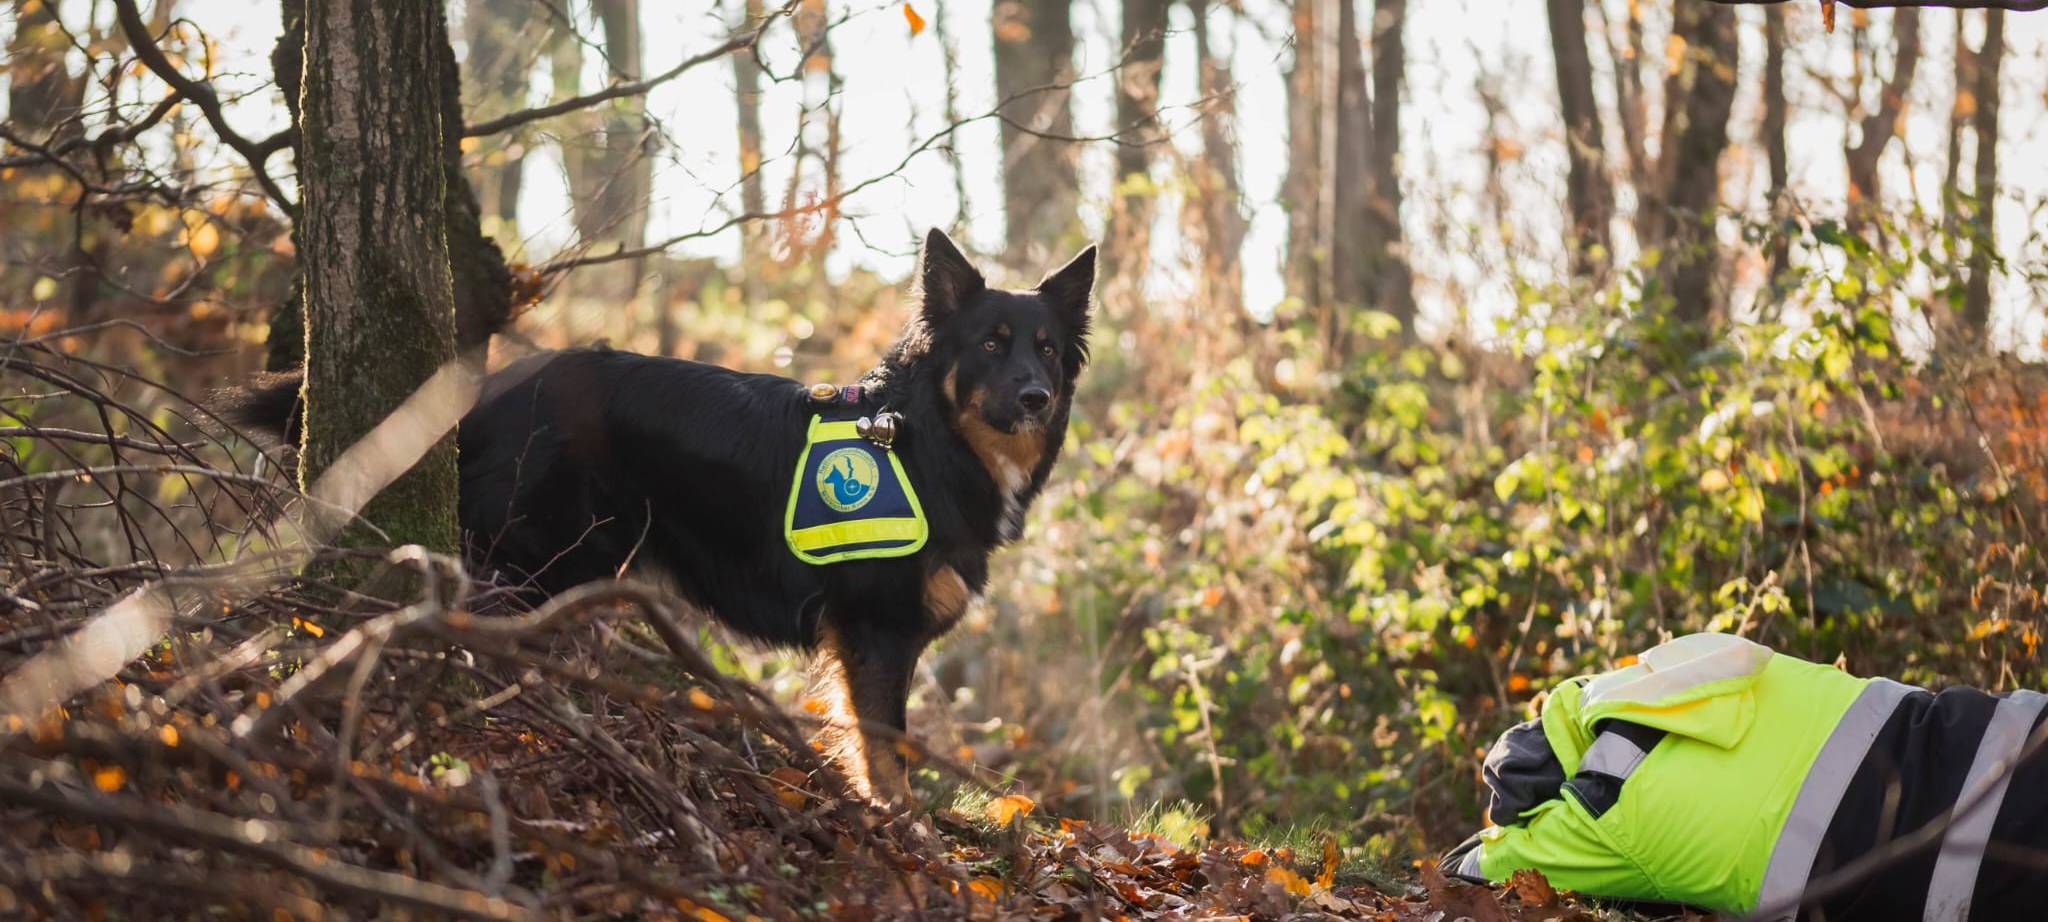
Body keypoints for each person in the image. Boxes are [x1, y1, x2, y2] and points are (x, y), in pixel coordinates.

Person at [1442, 632, 2048, 921]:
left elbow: (1472, 871)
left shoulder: (1606, 815)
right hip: (2002, 736)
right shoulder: (1675, 667)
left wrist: (1500, 831)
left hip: (1966, 861)